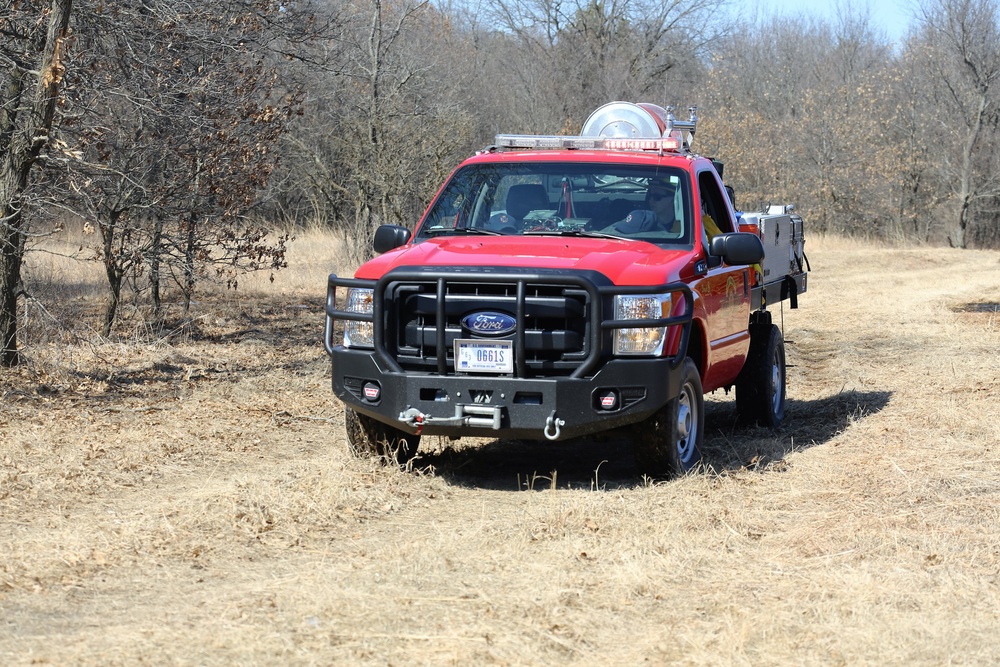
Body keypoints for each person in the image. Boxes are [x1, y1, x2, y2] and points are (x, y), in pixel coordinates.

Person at [604, 179, 681, 235]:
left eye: (657, 197)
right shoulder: (636, 220)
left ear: (673, 199)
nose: (651, 200)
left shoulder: (685, 228)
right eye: (649, 195)